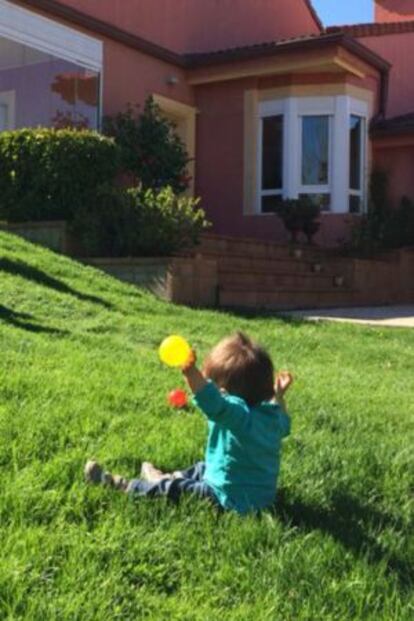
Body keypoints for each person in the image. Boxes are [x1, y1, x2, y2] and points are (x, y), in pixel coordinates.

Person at [85, 332, 293, 515]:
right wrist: (279, 395)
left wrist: (191, 372)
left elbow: (212, 402)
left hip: (230, 500)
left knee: (177, 490)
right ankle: (164, 477)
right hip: (262, 497)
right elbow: (283, 420)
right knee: (203, 467)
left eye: (213, 384)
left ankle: (123, 485)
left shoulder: (237, 415)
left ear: (225, 393)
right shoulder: (272, 416)